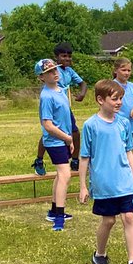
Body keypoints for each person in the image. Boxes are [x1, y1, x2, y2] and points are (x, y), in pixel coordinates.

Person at [78, 80, 133, 264]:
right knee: (108, 221)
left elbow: (129, 154)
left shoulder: (124, 123)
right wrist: (83, 186)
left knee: (128, 217)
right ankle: (100, 254)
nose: (119, 103)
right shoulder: (91, 125)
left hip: (124, 181)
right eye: (115, 99)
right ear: (100, 100)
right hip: (104, 183)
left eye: (121, 99)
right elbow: (85, 157)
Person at [32, 42, 86, 175]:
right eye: (63, 56)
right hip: (54, 105)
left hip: (64, 106)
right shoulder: (51, 71)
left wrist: (82, 93)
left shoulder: (69, 71)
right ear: (56, 57)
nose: (67, 59)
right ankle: (39, 159)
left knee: (75, 132)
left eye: (69, 56)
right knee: (50, 132)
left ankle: (74, 160)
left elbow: (82, 83)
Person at [36, 59, 76, 230]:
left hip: (64, 139)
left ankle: (54, 210)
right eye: (49, 71)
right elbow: (47, 125)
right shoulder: (46, 96)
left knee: (60, 175)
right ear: (41, 77)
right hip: (55, 141)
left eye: (55, 69)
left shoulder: (60, 90)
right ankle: (59, 217)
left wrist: (70, 138)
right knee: (65, 175)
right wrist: (66, 138)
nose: (55, 73)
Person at [112, 57, 133, 146]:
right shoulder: (112, 85)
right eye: (123, 70)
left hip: (131, 126)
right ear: (116, 70)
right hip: (117, 125)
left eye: (129, 70)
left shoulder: (132, 86)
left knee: (132, 152)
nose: (127, 73)